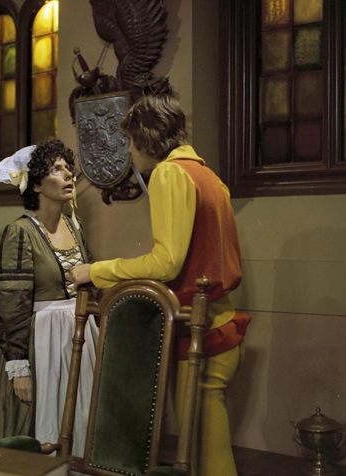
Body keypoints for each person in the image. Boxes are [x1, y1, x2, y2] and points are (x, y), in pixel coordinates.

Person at [68, 94, 250, 476]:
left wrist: (95, 271)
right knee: (207, 457)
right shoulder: (210, 178)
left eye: (131, 143)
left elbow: (166, 262)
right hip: (220, 327)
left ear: (146, 138)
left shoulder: (170, 173)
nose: (130, 153)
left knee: (207, 463)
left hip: (200, 335)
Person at [0, 138, 98, 458]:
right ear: (35, 184)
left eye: (67, 167)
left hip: (80, 337)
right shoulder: (19, 232)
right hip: (41, 344)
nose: (68, 175)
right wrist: (19, 367)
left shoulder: (75, 226)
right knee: (44, 425)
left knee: (81, 419)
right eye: (56, 169)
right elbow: (10, 303)